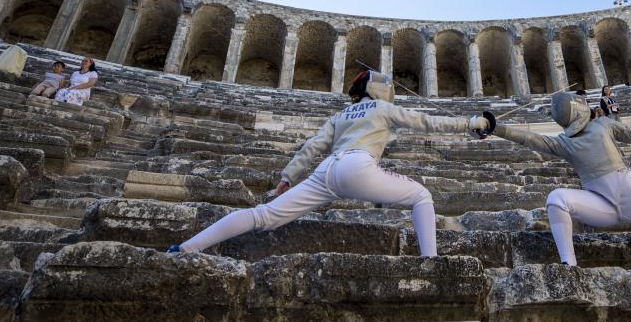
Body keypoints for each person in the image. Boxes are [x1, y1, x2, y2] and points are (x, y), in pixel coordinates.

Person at [170, 70, 491, 256]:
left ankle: (186, 248)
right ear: (379, 89)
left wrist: (287, 177)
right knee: (421, 196)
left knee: (263, 215)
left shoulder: (341, 114)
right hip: (358, 166)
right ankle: (431, 263)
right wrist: (472, 123)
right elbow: (427, 122)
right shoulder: (383, 108)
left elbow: (313, 146)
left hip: (325, 172)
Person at [480, 92, 631, 265]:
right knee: (557, 199)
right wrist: (494, 128)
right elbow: (529, 139)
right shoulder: (563, 142)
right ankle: (569, 266)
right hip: (601, 202)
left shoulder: (602, 125)